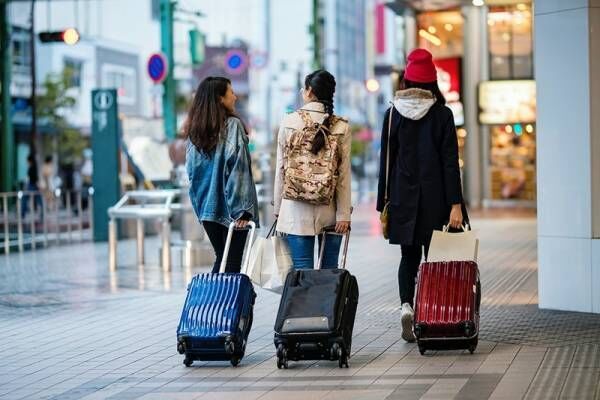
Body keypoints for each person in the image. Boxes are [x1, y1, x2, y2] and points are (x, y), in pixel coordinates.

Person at [376, 49, 467, 342]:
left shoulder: (392, 115)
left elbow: (386, 164)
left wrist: (383, 205)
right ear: (432, 82)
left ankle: (407, 305)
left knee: (408, 256)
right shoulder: (442, 115)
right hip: (436, 199)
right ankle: (435, 314)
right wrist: (456, 204)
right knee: (437, 259)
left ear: (407, 80)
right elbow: (449, 163)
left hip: (403, 199)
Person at [273, 69, 352, 269]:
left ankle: (305, 301)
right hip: (331, 211)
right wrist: (343, 214)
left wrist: (278, 209)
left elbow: (281, 168)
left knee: (302, 269)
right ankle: (327, 302)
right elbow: (343, 175)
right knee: (328, 270)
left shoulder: (289, 121)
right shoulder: (341, 126)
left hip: (294, 209)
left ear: (308, 92)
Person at [185, 76, 259, 273]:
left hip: (207, 210)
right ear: (220, 98)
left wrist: (201, 209)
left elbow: (192, 175)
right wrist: (242, 210)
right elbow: (238, 169)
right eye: (231, 92)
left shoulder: (195, 132)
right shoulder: (233, 126)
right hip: (233, 210)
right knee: (232, 261)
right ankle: (223, 303)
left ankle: (216, 302)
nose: (235, 97)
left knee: (223, 258)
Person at [21, 153, 44, 219]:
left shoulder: (32, 167)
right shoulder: (33, 166)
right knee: (39, 200)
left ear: (29, 160)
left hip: (32, 185)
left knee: (25, 198)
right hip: (33, 185)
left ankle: (22, 214)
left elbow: (34, 178)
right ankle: (42, 214)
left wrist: (38, 185)